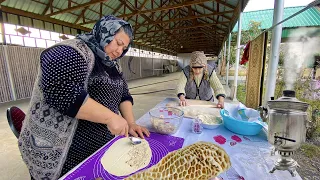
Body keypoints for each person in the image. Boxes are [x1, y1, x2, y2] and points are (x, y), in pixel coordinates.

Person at [18, 15, 150, 180]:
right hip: (61, 148)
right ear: (105, 32)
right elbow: (63, 92)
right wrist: (110, 117)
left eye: (124, 49)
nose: (119, 51)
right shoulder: (71, 50)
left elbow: (124, 93)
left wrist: (130, 123)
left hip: (96, 144)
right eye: (118, 43)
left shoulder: (112, 64)